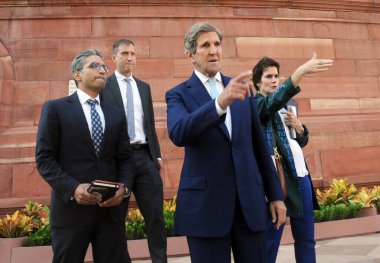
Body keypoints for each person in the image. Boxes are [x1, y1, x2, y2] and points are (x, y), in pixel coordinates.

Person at [165, 22, 287, 263]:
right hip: (206, 209)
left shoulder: (242, 90)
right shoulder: (177, 94)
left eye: (217, 44)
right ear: (191, 55)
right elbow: (179, 133)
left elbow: (258, 147)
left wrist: (275, 195)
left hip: (249, 205)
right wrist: (219, 104)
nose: (213, 50)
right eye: (205, 45)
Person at [35, 49, 134, 263]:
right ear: (77, 74)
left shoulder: (115, 113)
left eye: (104, 67)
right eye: (94, 66)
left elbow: (126, 158)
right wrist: (72, 188)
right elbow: (44, 158)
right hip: (71, 212)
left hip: (110, 213)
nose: (102, 70)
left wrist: (124, 188)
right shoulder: (56, 109)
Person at [252, 54, 333, 263]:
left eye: (277, 76)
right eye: (268, 76)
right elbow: (273, 101)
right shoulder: (256, 105)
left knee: (306, 237)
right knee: (271, 240)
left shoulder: (289, 104)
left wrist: (300, 128)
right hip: (277, 179)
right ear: (257, 82)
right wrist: (300, 73)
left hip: (300, 175)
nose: (274, 80)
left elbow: (298, 141)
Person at [100, 39, 167, 263]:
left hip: (145, 157)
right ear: (114, 57)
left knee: (156, 217)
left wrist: (156, 155)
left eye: (133, 54)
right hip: (117, 161)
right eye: (125, 53)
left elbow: (149, 124)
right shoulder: (103, 87)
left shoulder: (143, 87)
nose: (130, 58)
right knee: (116, 219)